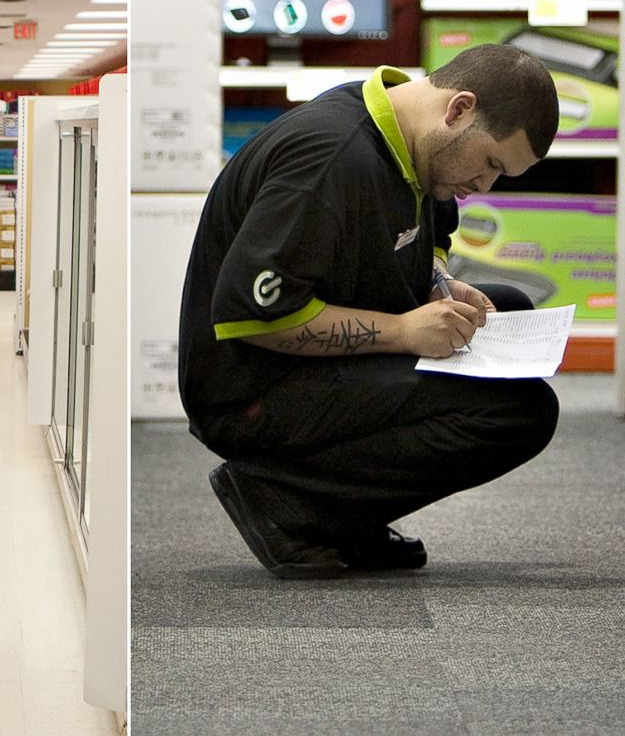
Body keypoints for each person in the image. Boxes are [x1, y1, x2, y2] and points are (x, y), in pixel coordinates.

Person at [178, 44, 561, 579]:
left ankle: (346, 511)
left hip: (312, 363)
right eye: (492, 164)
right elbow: (254, 318)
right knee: (520, 412)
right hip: (251, 390)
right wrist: (404, 330)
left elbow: (432, 233)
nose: (483, 187)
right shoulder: (330, 159)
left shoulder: (416, 143)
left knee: (508, 312)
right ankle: (288, 502)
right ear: (459, 109)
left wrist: (437, 281)